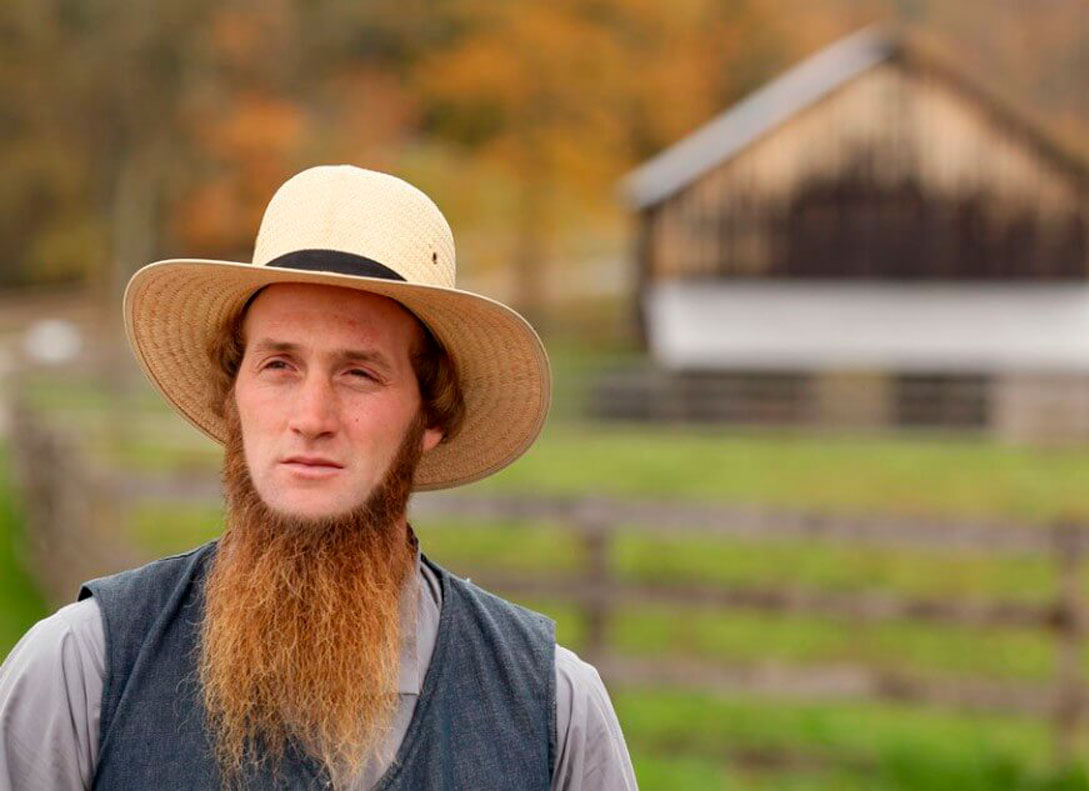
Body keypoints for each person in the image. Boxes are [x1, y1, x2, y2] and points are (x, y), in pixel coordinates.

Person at [0, 165, 639, 790]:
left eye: (359, 372)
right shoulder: (81, 672)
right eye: (279, 364)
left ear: (429, 418)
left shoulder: (552, 711)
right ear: (233, 400)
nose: (311, 418)